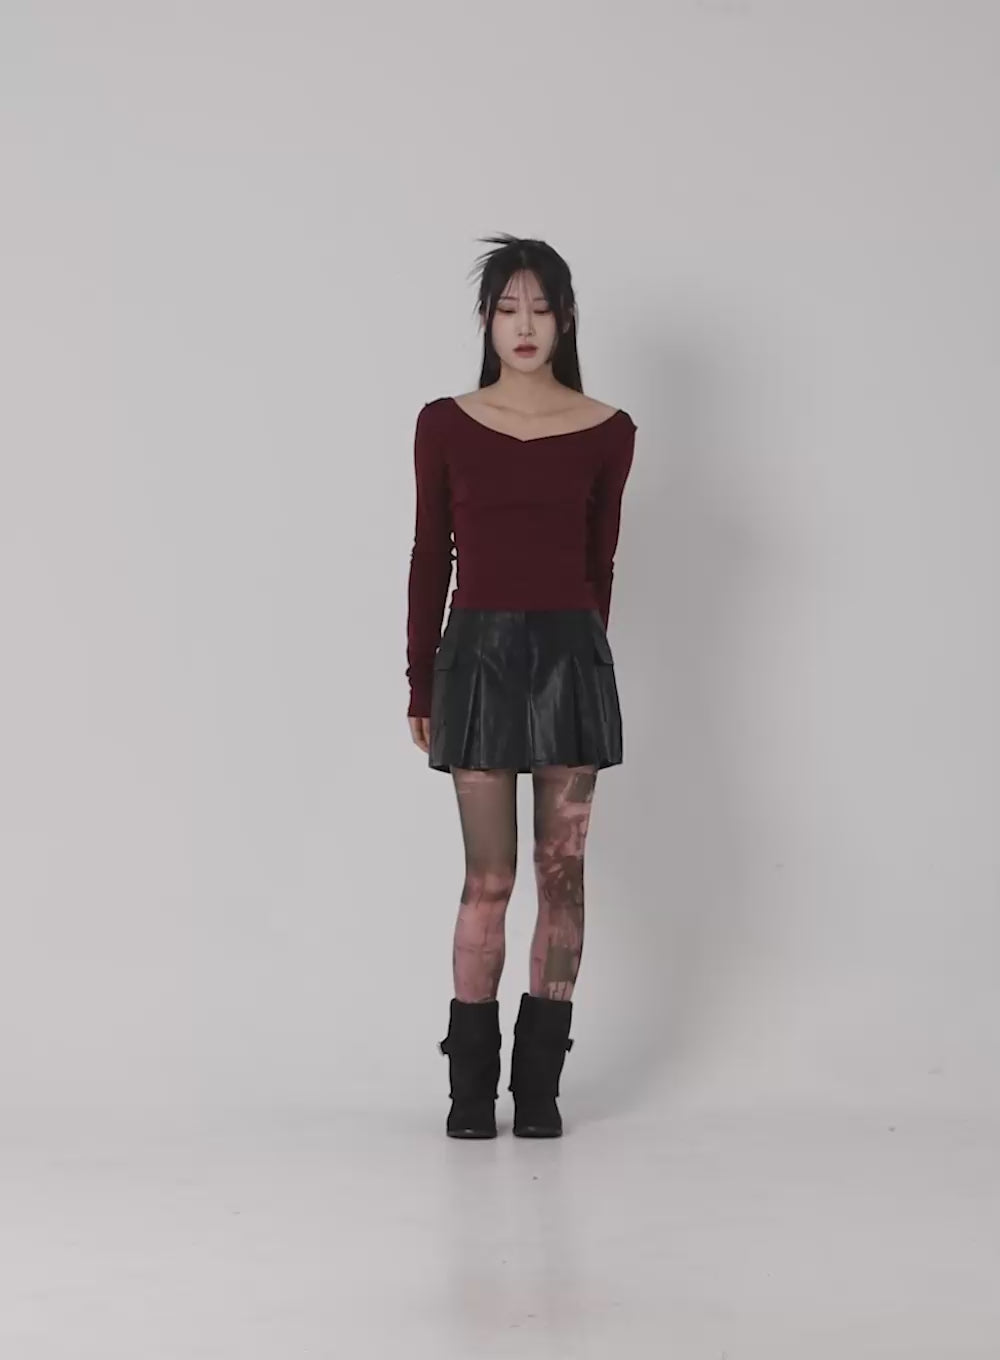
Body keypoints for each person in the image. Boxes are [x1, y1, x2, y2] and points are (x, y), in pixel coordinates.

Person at [405, 234, 636, 1140]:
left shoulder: (608, 430)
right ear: (486, 321)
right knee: (490, 878)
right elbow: (431, 555)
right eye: (508, 308)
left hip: (571, 661)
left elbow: (599, 563)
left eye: (542, 308)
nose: (525, 325)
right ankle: (469, 1093)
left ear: (566, 319)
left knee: (562, 877)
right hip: (478, 662)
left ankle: (538, 1090)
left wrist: (579, 658)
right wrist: (422, 681)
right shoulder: (445, 424)